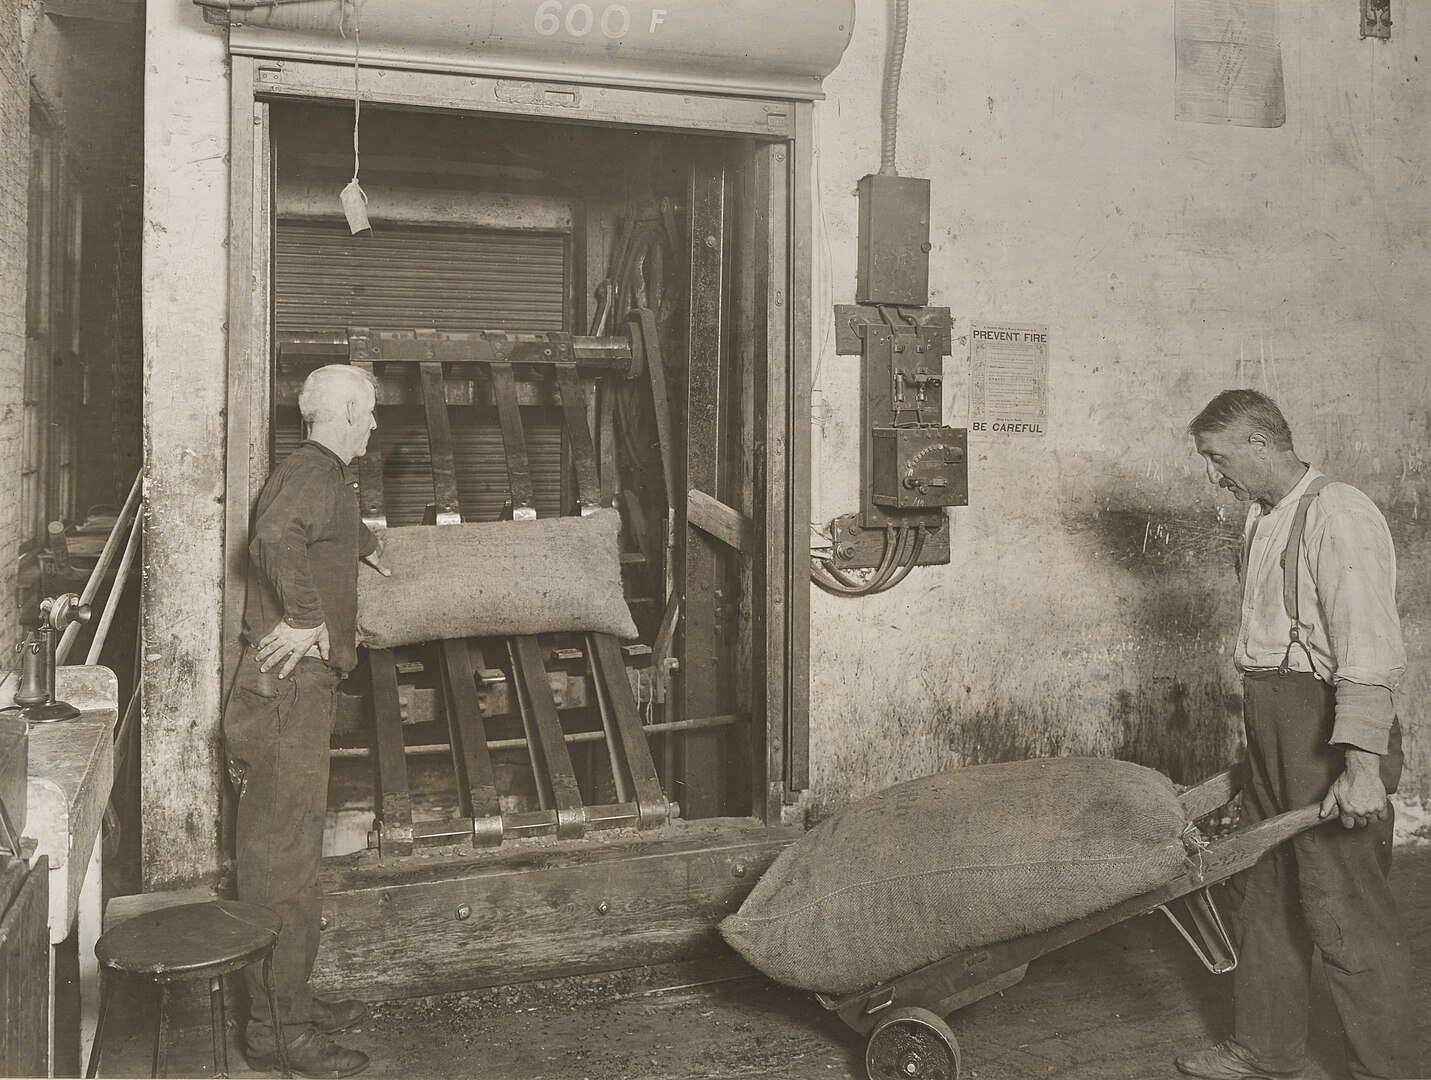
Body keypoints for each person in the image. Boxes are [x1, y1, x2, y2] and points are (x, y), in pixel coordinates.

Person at [1177, 389, 1419, 1080]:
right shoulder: (1264, 516)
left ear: (1260, 444)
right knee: (1270, 890)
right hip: (1273, 721)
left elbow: (1368, 647)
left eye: (1216, 457)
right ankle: (1265, 1047)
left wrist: (1360, 765)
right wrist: (1258, 751)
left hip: (1326, 728)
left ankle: (1390, 1067)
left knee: (1343, 906)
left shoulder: (1336, 514)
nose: (1212, 474)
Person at [224, 364, 390, 1078]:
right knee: (281, 858)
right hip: (287, 689)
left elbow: (320, 535)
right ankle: (276, 1031)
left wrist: (369, 551)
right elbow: (271, 540)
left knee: (293, 850)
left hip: (302, 688)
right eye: (372, 413)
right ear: (348, 412)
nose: (376, 425)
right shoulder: (311, 473)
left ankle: (289, 997)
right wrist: (305, 616)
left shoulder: (327, 477)